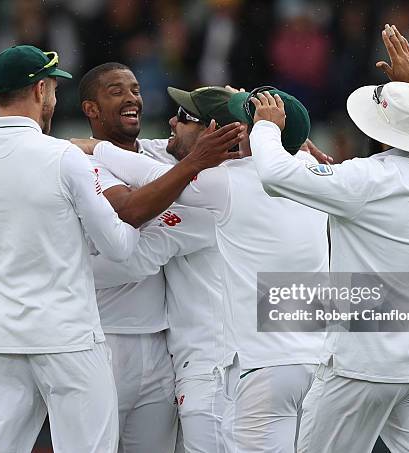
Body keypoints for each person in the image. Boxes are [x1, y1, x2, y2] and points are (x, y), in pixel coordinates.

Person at [248, 25, 409, 453]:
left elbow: (273, 174)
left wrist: (266, 126)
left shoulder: (365, 178)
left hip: (363, 364)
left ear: (378, 130)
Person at [90, 85, 330, 452]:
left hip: (222, 373)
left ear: (219, 134)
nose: (172, 120)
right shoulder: (309, 172)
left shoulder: (223, 187)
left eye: (185, 117)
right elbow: (152, 159)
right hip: (307, 362)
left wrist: (88, 150)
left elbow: (133, 228)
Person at [0, 45, 141, 453]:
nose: (53, 98)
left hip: (4, 339)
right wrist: (141, 209)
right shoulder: (63, 157)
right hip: (68, 339)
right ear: (39, 91)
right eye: (52, 88)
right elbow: (119, 247)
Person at [77, 64, 243, 453]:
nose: (133, 97)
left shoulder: (169, 157)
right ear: (91, 109)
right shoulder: (78, 164)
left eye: (135, 89)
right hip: (104, 336)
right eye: (116, 91)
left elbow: (139, 209)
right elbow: (130, 209)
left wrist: (283, 136)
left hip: (163, 346)